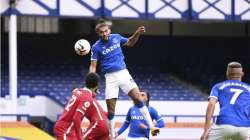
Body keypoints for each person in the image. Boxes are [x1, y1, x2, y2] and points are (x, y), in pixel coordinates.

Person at [89, 20, 159, 138]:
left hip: (123, 73)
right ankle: (111, 134)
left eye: (106, 31)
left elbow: (130, 42)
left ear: (109, 30)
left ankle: (151, 127)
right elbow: (93, 65)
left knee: (138, 98)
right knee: (111, 111)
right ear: (98, 34)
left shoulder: (116, 37)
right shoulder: (96, 47)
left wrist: (137, 33)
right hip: (110, 78)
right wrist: (91, 84)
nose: (105, 34)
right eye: (101, 32)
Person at [200, 62, 250, 140]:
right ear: (242, 74)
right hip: (244, 128)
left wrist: (206, 130)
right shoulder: (248, 89)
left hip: (224, 124)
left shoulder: (218, 86)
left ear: (227, 74)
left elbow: (211, 105)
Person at [54, 73, 109, 140]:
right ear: (97, 86)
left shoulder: (77, 91)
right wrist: (80, 138)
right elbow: (76, 118)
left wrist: (93, 94)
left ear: (85, 82)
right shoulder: (87, 98)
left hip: (69, 129)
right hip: (65, 130)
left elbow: (75, 91)